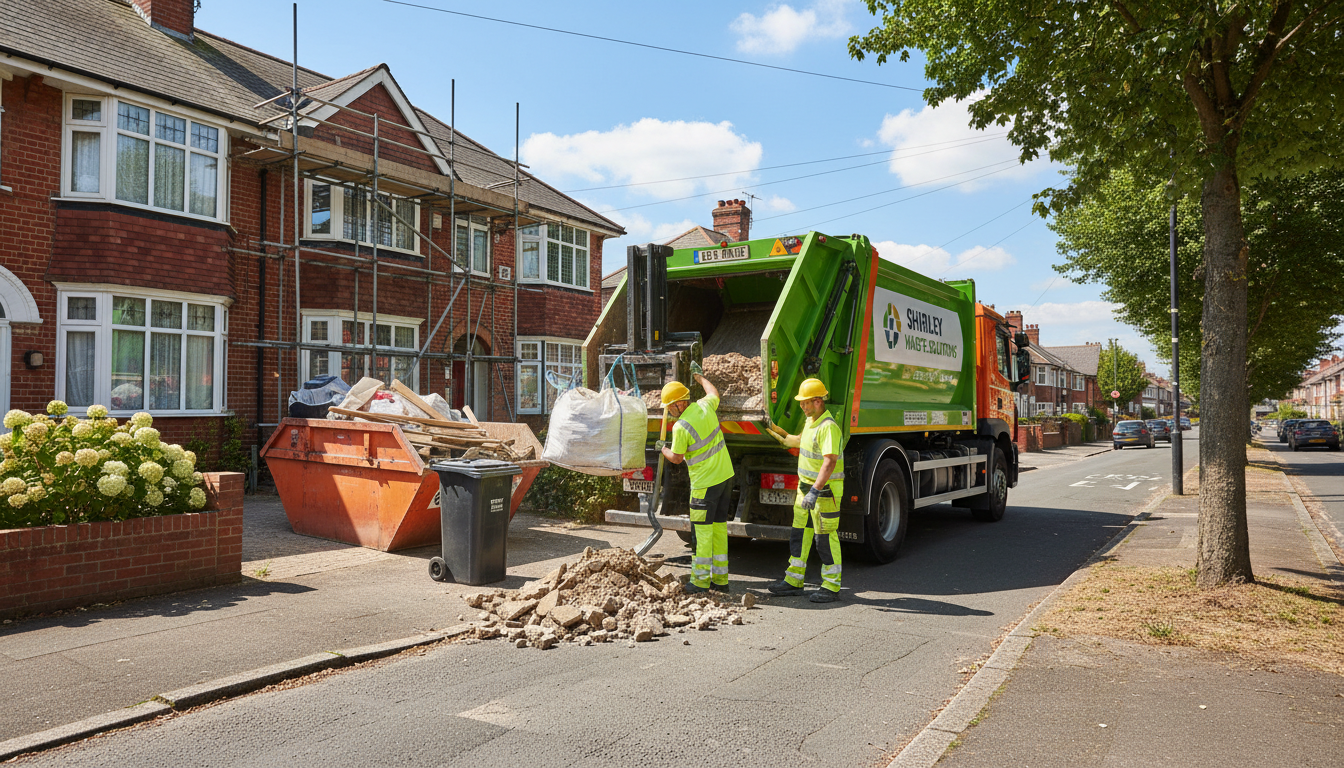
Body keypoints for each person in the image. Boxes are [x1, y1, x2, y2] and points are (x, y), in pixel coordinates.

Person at [658, 362, 735, 593]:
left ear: (681, 403)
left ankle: (700, 582)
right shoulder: (704, 406)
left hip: (704, 485)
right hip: (725, 478)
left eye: (671, 407)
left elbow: (677, 458)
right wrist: (699, 376)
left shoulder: (680, 427)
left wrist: (662, 448)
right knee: (719, 529)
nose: (670, 411)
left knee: (701, 533)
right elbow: (714, 392)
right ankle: (720, 581)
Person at [766, 377, 845, 603]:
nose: (801, 405)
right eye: (801, 402)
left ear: (818, 401)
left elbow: (829, 462)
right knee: (800, 534)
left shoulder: (828, 427)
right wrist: (773, 429)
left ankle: (831, 586)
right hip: (805, 488)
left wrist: (815, 490)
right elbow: (798, 440)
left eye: (806, 402)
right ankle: (793, 580)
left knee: (825, 538)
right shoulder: (811, 421)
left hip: (824, 492)